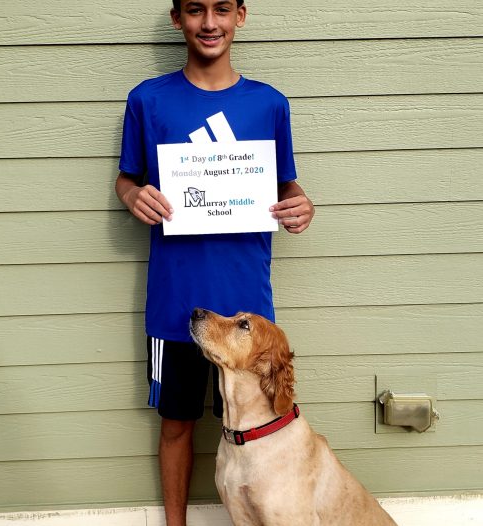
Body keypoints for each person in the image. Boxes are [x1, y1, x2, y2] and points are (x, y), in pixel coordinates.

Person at [115, 1, 315, 524]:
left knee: (261, 425)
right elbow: (127, 179)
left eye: (221, 9)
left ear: (240, 16)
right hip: (176, 303)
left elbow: (285, 185)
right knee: (177, 424)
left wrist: (301, 204)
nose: (210, 23)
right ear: (177, 18)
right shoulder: (148, 100)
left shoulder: (269, 104)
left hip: (248, 310)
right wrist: (133, 196)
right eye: (196, 10)